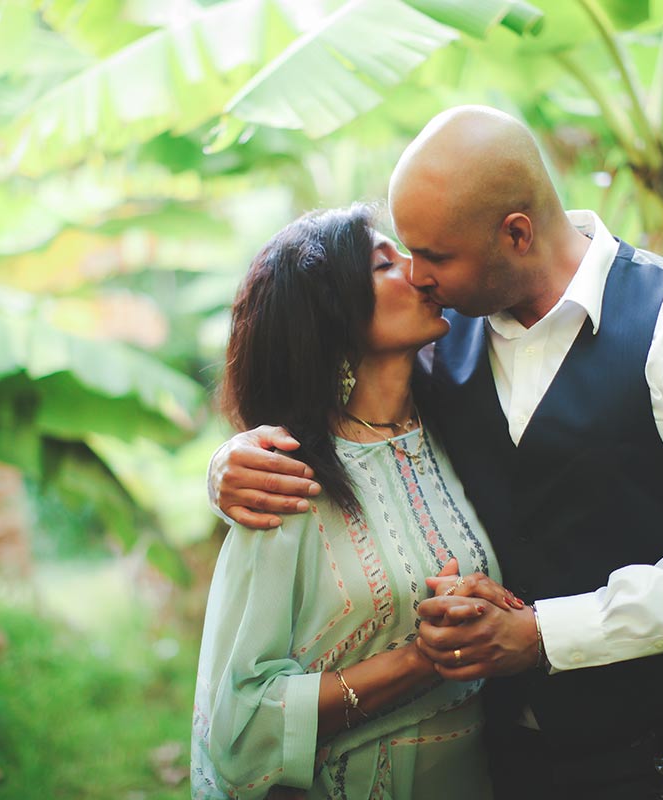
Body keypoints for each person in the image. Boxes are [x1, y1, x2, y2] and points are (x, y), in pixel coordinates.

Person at [208, 106, 663, 798]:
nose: (415, 275)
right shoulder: (432, 354)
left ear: (515, 234)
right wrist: (227, 466)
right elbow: (337, 410)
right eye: (404, 252)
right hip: (504, 764)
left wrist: (542, 635)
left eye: (434, 256)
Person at [193, 205, 512, 799]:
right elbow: (242, 726)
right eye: (383, 263)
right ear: (330, 314)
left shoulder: (462, 423)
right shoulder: (284, 482)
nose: (418, 272)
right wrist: (421, 660)